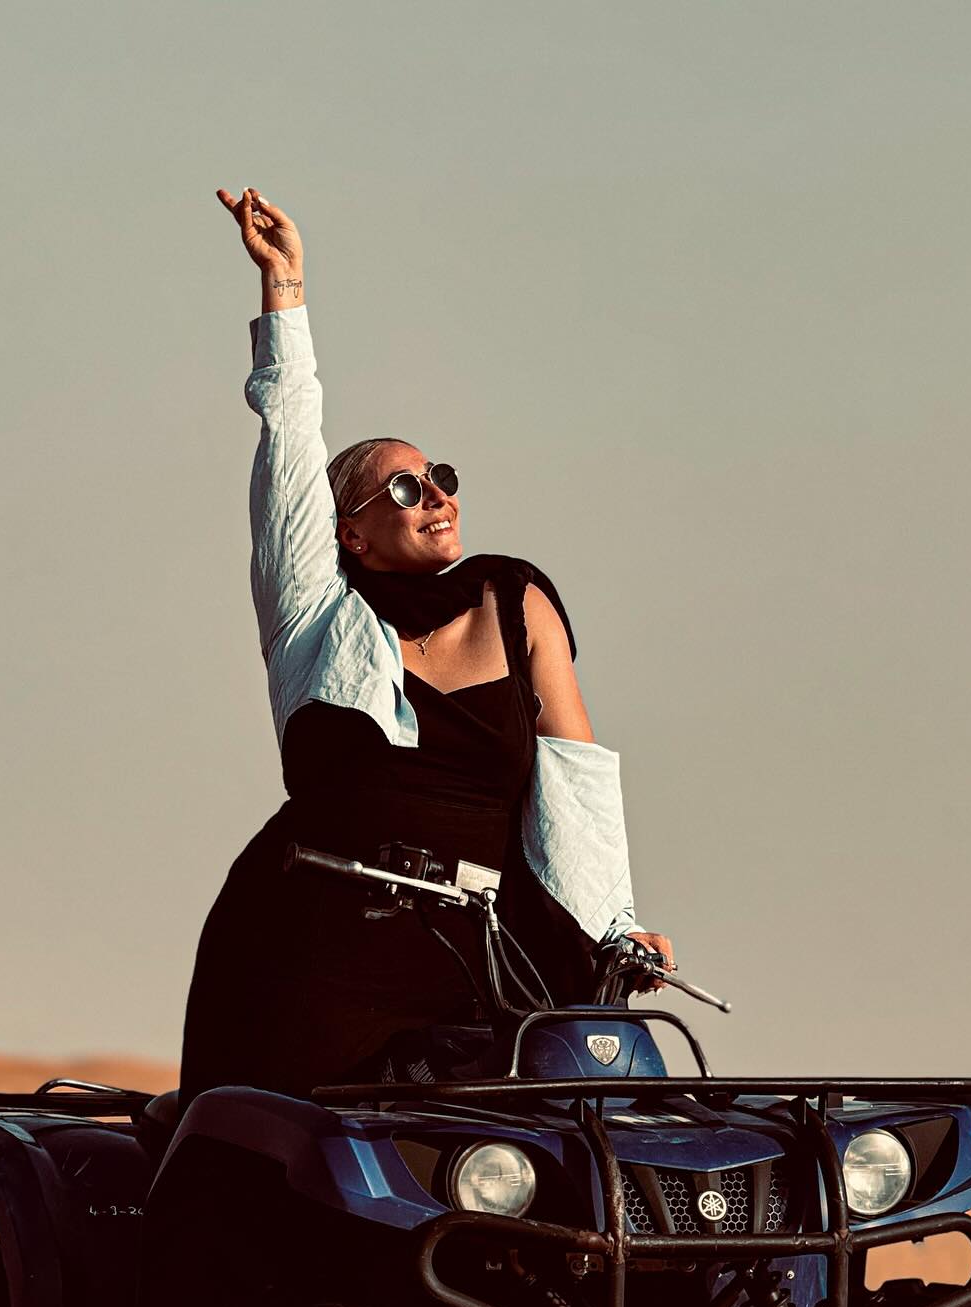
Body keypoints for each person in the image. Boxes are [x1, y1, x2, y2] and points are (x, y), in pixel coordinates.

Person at [178, 187, 672, 1105]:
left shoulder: (514, 601)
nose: (437, 496)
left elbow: (576, 789)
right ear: (350, 535)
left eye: (440, 477)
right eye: (403, 489)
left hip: (476, 958)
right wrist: (285, 291)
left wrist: (614, 929)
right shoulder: (315, 617)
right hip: (310, 951)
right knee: (279, 1161)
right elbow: (289, 443)